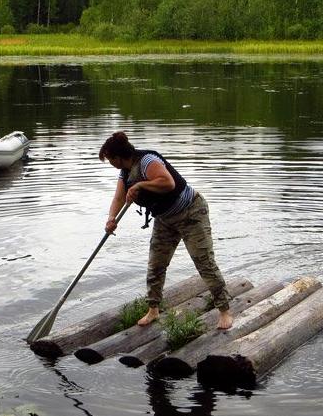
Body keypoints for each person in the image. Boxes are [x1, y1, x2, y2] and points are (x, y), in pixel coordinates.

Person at [99, 131, 233, 330]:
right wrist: (111, 218)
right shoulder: (124, 172)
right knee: (156, 264)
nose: (110, 163)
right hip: (164, 219)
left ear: (118, 157)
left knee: (204, 262)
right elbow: (119, 198)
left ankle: (224, 311)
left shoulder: (147, 161)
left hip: (191, 213)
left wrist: (141, 185)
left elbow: (168, 182)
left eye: (110, 159)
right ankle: (153, 309)